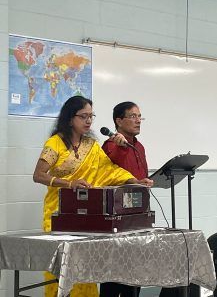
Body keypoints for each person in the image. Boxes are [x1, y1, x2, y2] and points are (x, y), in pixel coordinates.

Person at [33, 96, 152, 297]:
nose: (88, 121)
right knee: (60, 272)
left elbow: (110, 171)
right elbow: (39, 175)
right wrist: (70, 184)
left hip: (86, 217)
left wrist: (134, 181)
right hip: (58, 214)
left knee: (85, 271)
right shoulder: (55, 144)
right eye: (83, 116)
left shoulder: (92, 146)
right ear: (71, 118)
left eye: (91, 116)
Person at [100, 101, 152, 297]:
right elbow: (109, 174)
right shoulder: (111, 145)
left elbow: (141, 175)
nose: (138, 120)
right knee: (114, 274)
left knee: (135, 271)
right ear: (118, 121)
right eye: (133, 116)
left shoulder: (140, 146)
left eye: (140, 116)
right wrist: (121, 145)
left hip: (138, 213)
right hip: (118, 215)